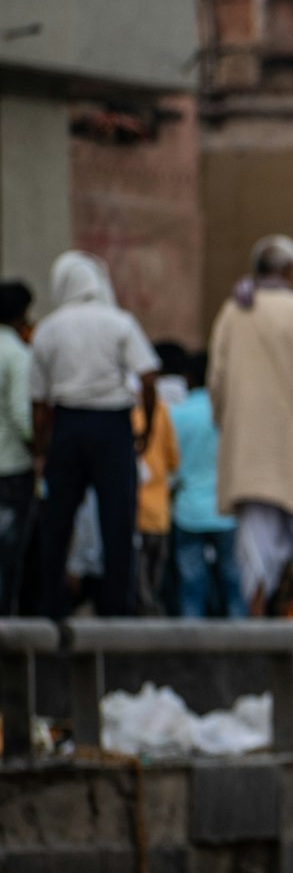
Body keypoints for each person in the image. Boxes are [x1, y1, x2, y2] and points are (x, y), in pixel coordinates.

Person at [210, 235, 293, 615]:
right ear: (289, 271)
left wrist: (230, 426)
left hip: (249, 452)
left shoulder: (233, 312)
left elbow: (216, 380)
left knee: (254, 546)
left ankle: (255, 621)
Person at [31, 252, 159, 618]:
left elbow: (39, 402)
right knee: (117, 521)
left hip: (68, 426)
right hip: (112, 427)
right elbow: (148, 377)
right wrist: (146, 427)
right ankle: (118, 607)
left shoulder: (49, 328)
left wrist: (42, 448)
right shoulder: (119, 322)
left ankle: (51, 606)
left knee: (58, 521)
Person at [169, 352, 244, 618]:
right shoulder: (232, 413)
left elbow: (170, 465)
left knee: (191, 584)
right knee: (234, 582)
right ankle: (245, 644)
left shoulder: (177, 414)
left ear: (188, 379)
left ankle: (192, 646)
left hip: (188, 511)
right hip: (228, 512)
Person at [0, 281, 34, 613]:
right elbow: (23, 416)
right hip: (10, 467)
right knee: (7, 553)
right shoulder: (16, 354)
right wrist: (38, 449)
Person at [132, 386, 180, 615]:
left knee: (137, 578)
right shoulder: (161, 412)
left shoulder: (124, 414)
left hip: (133, 513)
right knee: (154, 577)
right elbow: (173, 459)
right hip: (159, 513)